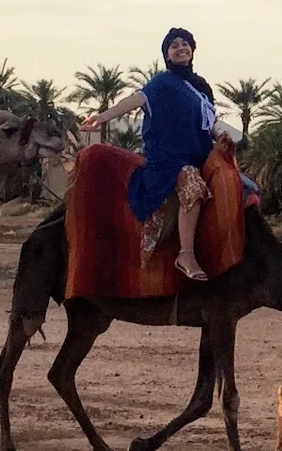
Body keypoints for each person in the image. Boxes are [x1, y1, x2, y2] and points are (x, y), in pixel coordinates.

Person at [81, 28, 235, 282]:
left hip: (200, 157)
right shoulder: (162, 83)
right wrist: (101, 117)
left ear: (193, 50)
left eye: (185, 43)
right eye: (173, 45)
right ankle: (185, 255)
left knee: (241, 188)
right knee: (193, 185)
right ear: (167, 55)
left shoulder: (201, 88)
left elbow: (210, 123)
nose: (180, 47)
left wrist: (222, 136)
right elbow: (135, 100)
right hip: (169, 163)